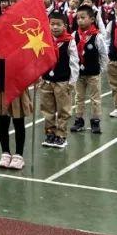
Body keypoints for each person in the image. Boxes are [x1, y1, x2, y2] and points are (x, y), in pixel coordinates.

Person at [40, 13, 79, 150]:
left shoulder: (70, 41)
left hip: (63, 81)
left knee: (63, 109)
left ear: (65, 26)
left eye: (58, 24)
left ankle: (61, 135)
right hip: (46, 80)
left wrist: (72, 81)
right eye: (52, 24)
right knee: (47, 109)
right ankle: (50, 133)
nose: (55, 27)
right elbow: (40, 58)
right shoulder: (43, 39)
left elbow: (74, 62)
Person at [0, 57, 32, 171]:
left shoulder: (21, 44)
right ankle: (5, 152)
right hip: (1, 86)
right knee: (3, 120)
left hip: (17, 86)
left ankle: (19, 155)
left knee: (18, 120)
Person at [71, 4, 107, 134]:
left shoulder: (97, 36)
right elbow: (71, 54)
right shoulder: (74, 35)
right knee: (78, 97)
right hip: (79, 74)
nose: (80, 20)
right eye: (78, 18)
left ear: (92, 19)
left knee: (95, 98)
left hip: (93, 73)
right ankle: (79, 120)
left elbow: (103, 54)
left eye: (83, 17)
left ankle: (95, 122)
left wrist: (100, 69)